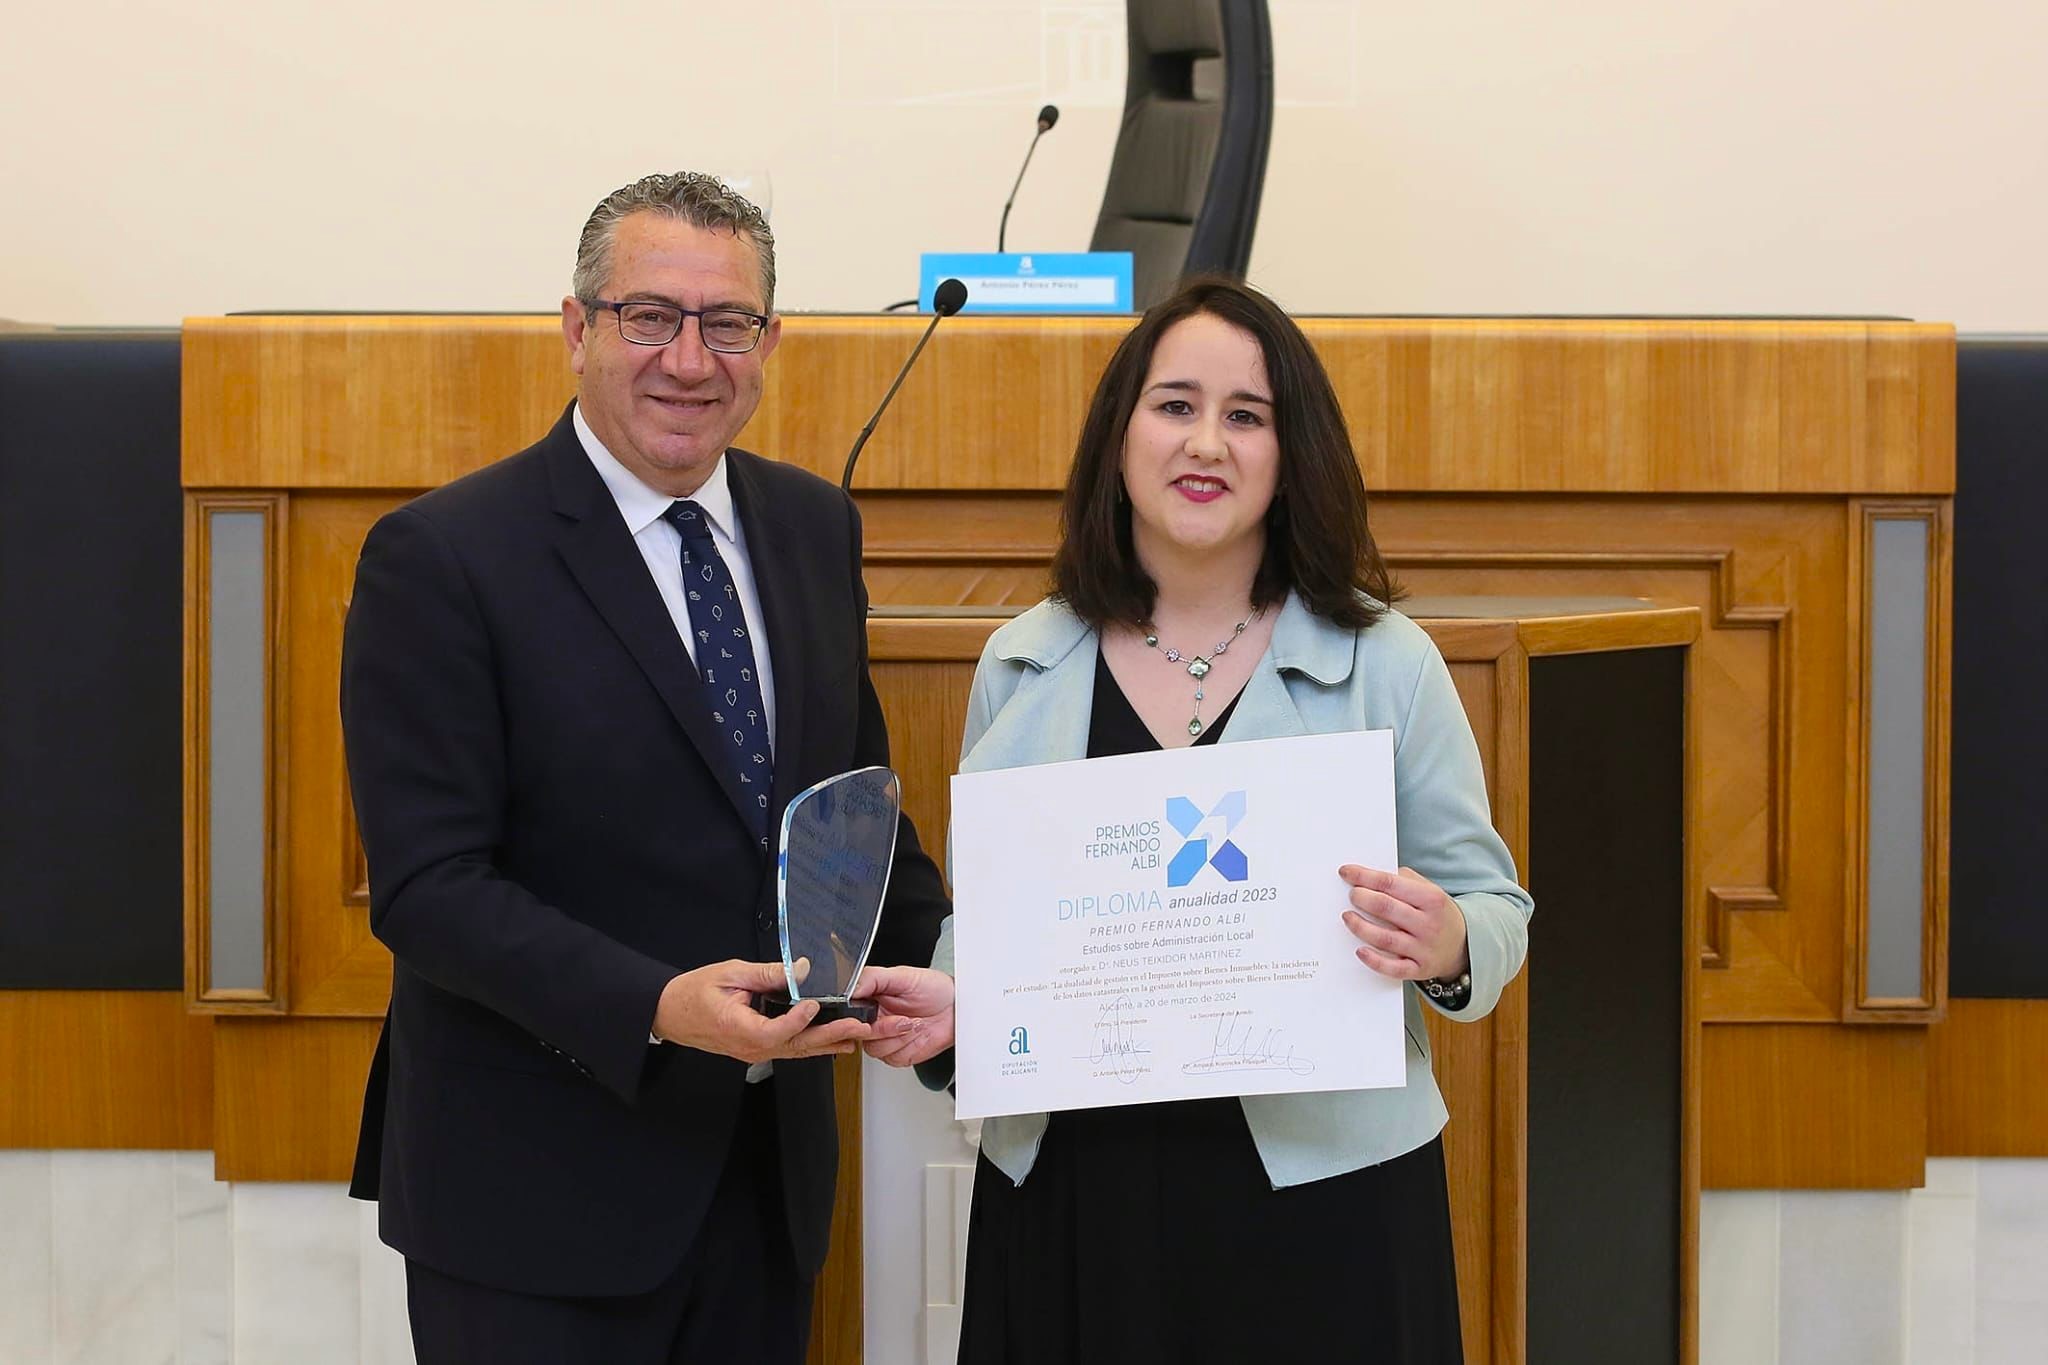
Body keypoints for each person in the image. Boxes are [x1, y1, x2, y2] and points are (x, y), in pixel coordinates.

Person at [858, 276, 1533, 1363]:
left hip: (1322, 1200)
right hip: (1077, 1195)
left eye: (1245, 416)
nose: (1204, 443)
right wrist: (954, 1007)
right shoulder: (1021, 663)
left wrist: (1448, 941)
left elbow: (1494, 908)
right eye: (1173, 405)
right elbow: (998, 931)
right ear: (1119, 437)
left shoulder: (1384, 662)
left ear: (1288, 451)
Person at [340, 171, 949, 1364]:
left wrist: (983, 994)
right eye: (648, 317)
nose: (689, 359)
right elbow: (428, 887)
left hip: (761, 1193)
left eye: (726, 324)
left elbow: (851, 811)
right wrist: (655, 1009)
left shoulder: (811, 528)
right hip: (532, 1202)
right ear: (576, 331)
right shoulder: (444, 557)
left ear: (769, 343)